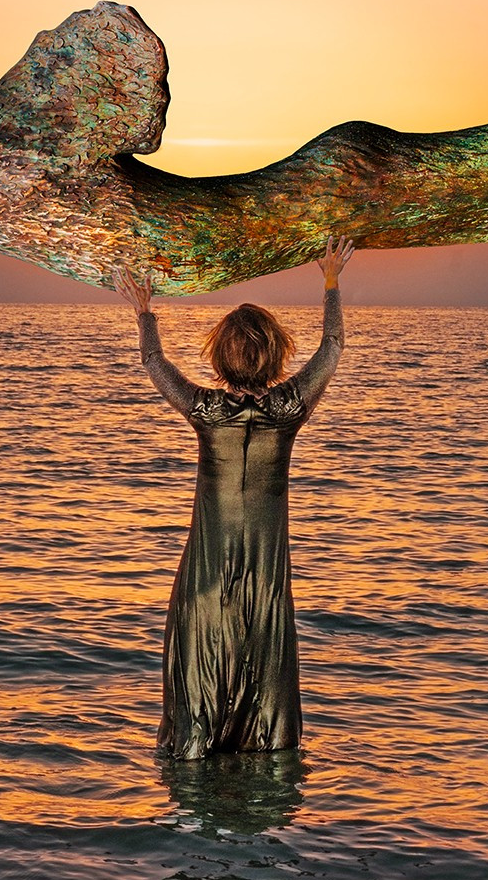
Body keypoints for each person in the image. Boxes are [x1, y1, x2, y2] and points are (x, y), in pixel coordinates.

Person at [113, 236, 353, 760]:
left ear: (220, 354)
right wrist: (331, 279)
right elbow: (332, 346)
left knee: (195, 702)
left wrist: (145, 309)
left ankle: (193, 772)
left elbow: (154, 362)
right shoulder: (291, 409)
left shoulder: (204, 411)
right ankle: (265, 779)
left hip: (206, 576)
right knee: (266, 705)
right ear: (276, 354)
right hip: (265, 581)